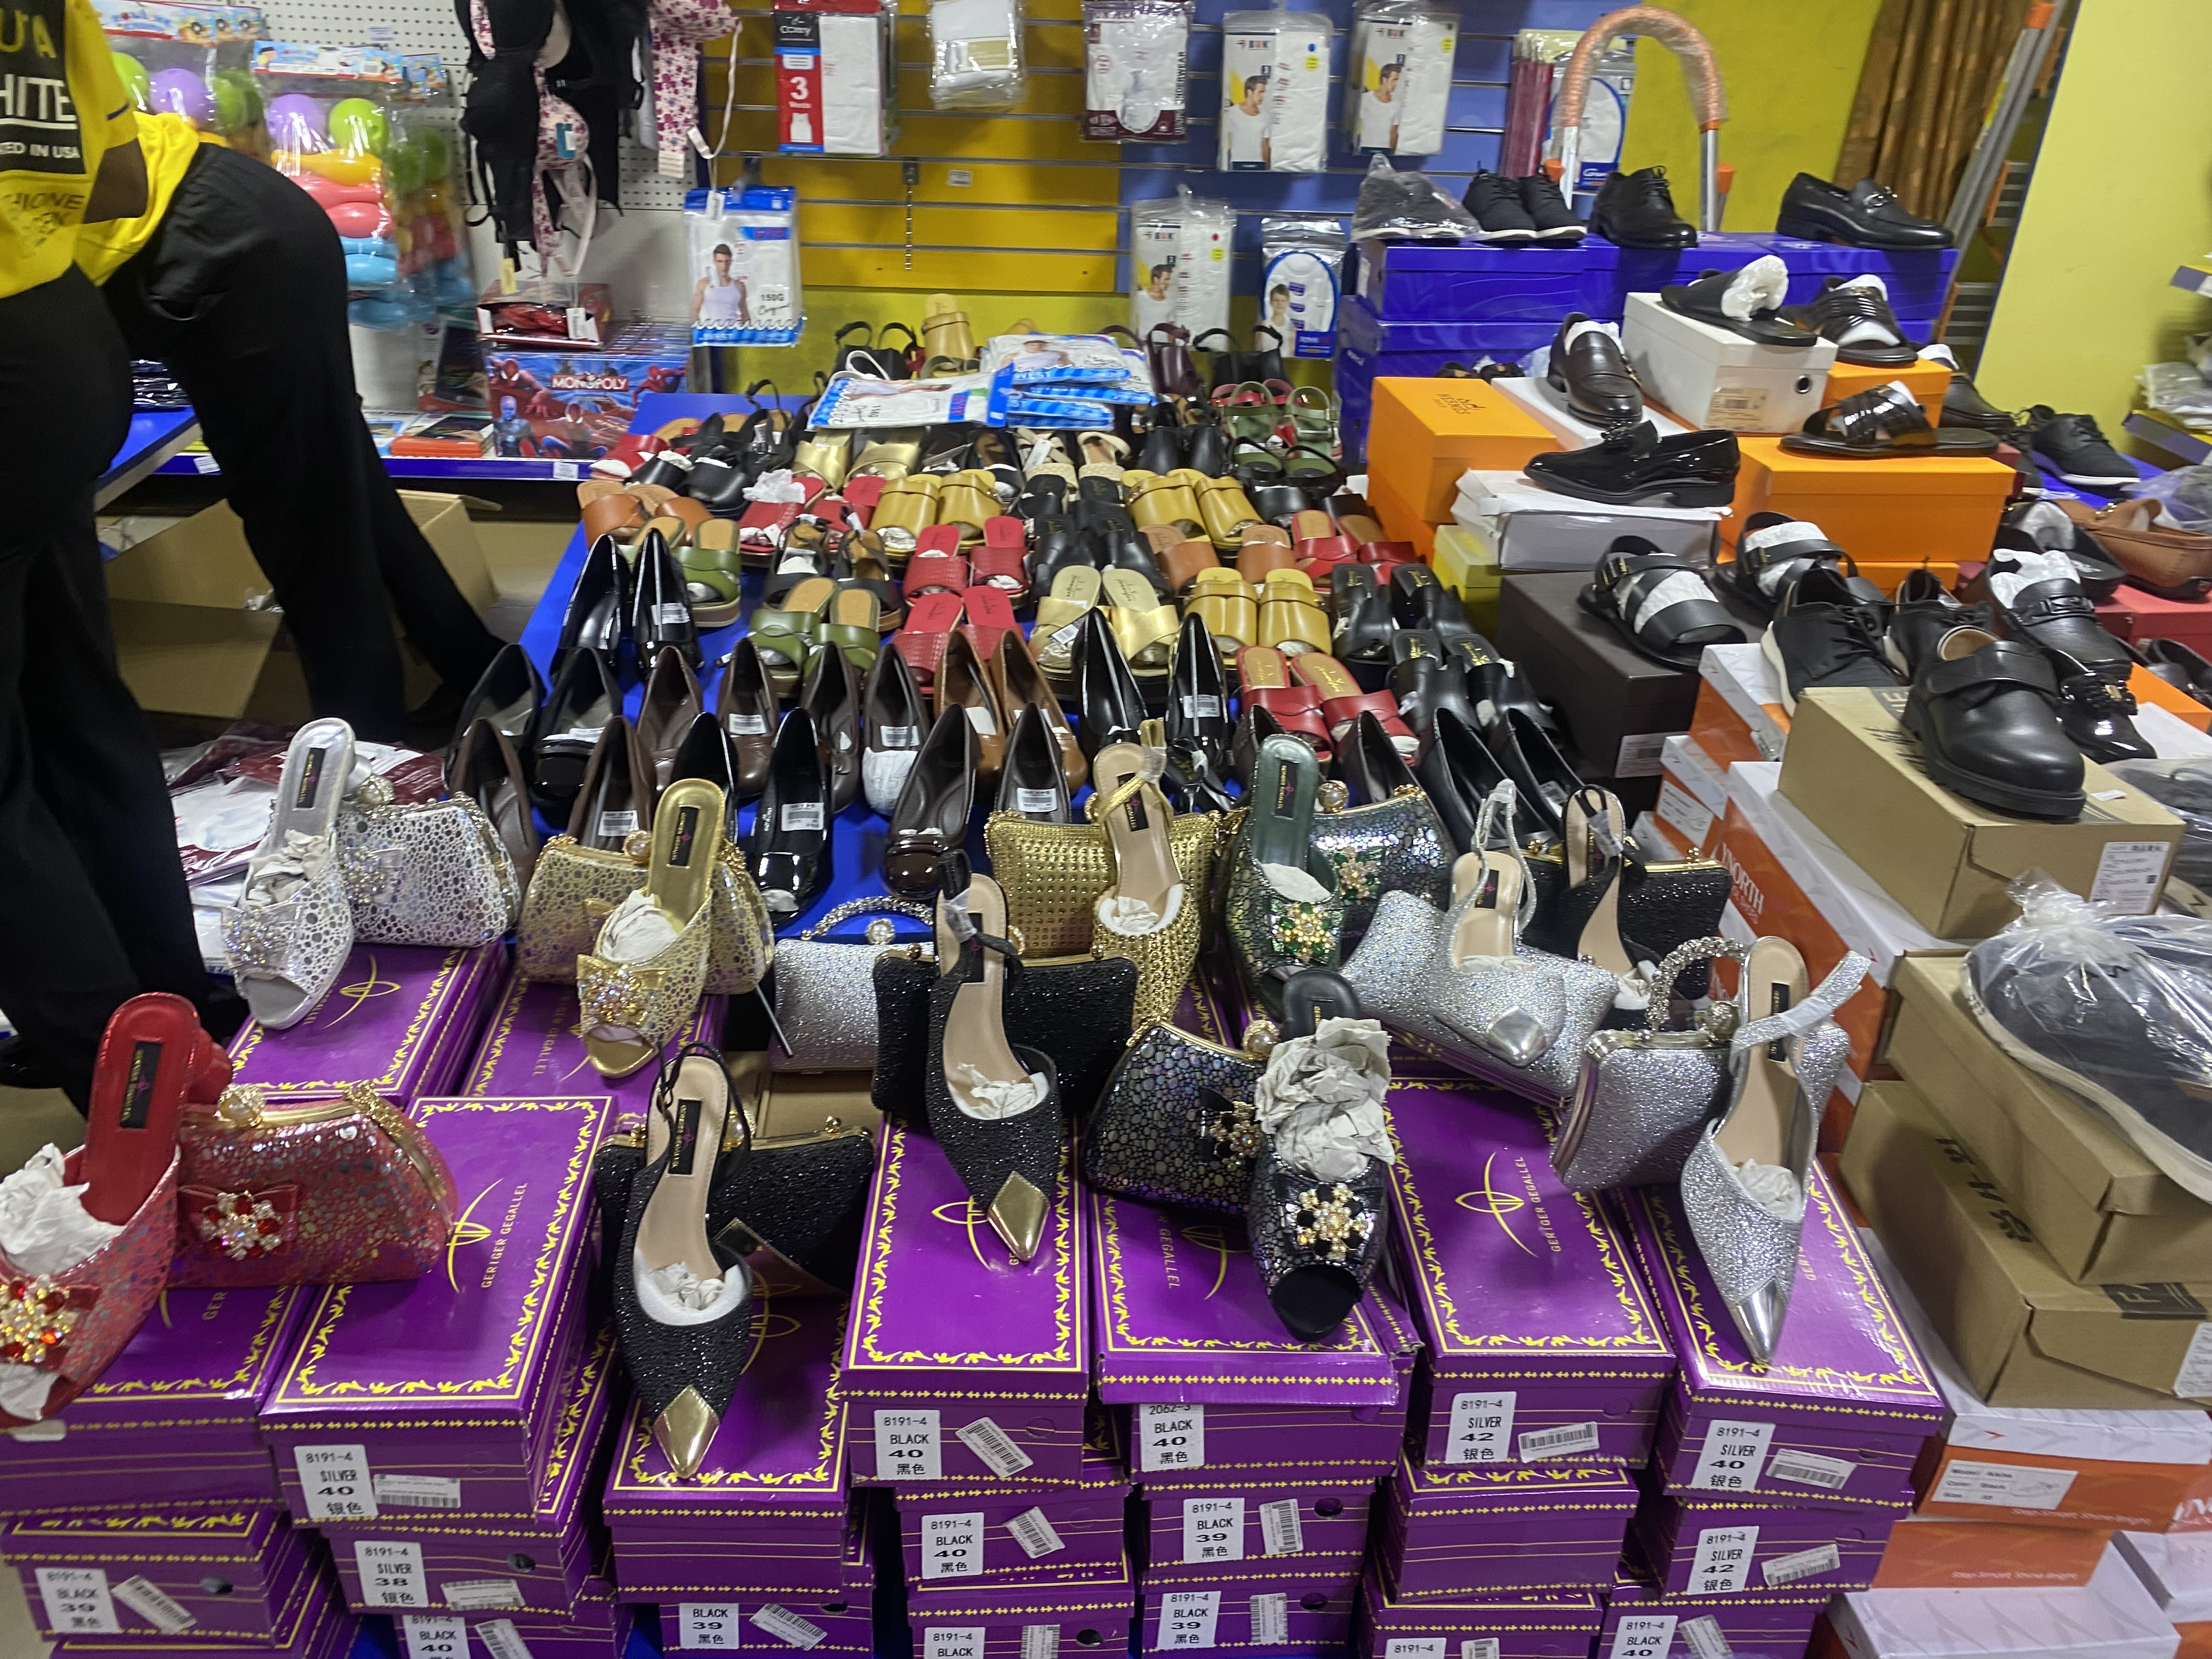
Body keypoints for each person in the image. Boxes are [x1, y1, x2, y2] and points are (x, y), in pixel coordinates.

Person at [78, 112, 504, 744]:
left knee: (305, 520)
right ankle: (480, 675)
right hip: (233, 215)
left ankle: (363, 753)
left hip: (218, 245)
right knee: (341, 482)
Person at [0, 0, 224, 1100]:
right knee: (77, 706)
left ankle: (142, 1097)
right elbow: (118, 181)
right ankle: (178, 1018)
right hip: (56, 337)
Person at [1223, 72, 1271, 169]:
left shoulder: (1266, 117)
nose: (1263, 96)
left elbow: (1265, 145)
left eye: (1264, 92)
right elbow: (1223, 141)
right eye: (1260, 92)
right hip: (1237, 165)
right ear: (1249, 92)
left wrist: (1268, 169)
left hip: (1259, 166)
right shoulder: (1231, 114)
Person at [694, 242, 747, 328]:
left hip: (733, 332)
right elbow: (695, 311)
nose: (724, 266)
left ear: (731, 262)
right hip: (711, 332)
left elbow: (745, 315)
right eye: (720, 262)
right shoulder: (703, 284)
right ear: (715, 262)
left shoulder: (739, 287)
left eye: (727, 261)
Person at [1358, 59, 1402, 152]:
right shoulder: (1365, 99)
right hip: (1366, 147)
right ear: (1384, 79)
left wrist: (1391, 151)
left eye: (1397, 80)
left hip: (1386, 150)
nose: (1396, 84)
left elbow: (1394, 131)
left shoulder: (1397, 105)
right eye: (1394, 80)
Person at [1132, 261, 1175, 335]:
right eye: (1166, 279)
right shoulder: (1139, 297)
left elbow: (1171, 329)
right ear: (1156, 279)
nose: (1168, 283)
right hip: (1143, 340)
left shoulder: (1170, 303)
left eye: (1169, 280)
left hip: (1163, 341)